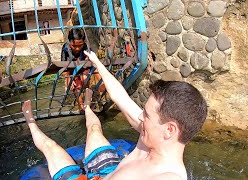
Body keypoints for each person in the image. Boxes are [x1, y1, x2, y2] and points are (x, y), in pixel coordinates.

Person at [23, 50, 207, 180]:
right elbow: (122, 98)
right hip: (105, 174)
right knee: (92, 131)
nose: (141, 117)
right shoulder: (151, 137)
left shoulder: (167, 177)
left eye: (147, 115)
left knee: (50, 146)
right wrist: (97, 63)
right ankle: (40, 120)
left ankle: (31, 122)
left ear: (169, 130)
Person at [61, 28, 104, 110]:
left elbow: (93, 64)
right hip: (71, 68)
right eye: (74, 46)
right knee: (75, 87)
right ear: (69, 41)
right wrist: (68, 79)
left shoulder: (86, 47)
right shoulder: (65, 48)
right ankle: (81, 106)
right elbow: (64, 66)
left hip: (83, 66)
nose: (77, 49)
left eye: (79, 45)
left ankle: (87, 99)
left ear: (83, 42)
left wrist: (100, 80)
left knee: (85, 79)